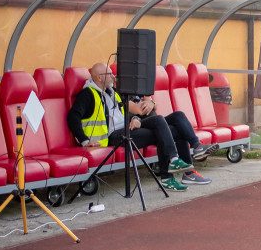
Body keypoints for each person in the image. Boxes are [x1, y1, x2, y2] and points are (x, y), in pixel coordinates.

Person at [66, 63, 194, 192]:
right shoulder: (88, 94)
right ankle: (170, 172)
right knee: (165, 131)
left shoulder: (112, 93)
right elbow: (72, 117)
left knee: (161, 122)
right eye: (109, 74)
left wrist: (135, 118)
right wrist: (85, 140)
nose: (113, 76)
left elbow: (125, 113)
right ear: (99, 78)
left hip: (127, 129)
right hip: (113, 137)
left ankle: (173, 164)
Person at [128, 94, 218, 185]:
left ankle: (197, 146)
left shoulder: (139, 88)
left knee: (178, 115)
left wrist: (151, 102)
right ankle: (185, 174)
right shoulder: (122, 91)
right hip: (140, 124)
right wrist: (149, 103)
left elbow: (153, 105)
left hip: (155, 121)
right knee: (172, 129)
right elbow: (138, 109)